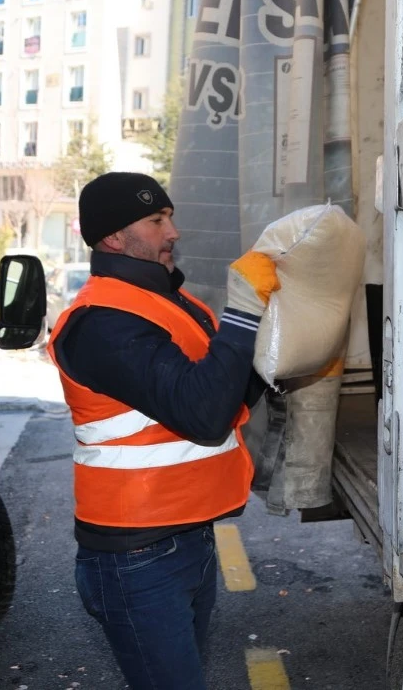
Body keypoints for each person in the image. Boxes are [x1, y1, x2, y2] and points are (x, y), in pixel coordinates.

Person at [46, 171, 280, 689]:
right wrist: (243, 312)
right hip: (137, 556)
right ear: (112, 237)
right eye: (156, 220)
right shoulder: (101, 321)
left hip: (187, 537)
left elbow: (224, 397)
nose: (172, 232)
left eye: (170, 217)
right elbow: (202, 414)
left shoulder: (174, 304)